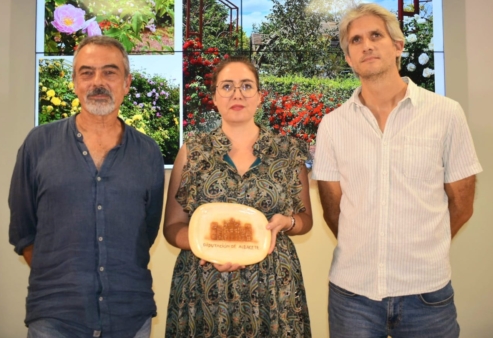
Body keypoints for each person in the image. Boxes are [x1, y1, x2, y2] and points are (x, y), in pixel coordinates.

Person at [313, 3, 482, 337]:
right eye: (356, 41)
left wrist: (424, 248)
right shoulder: (332, 126)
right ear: (348, 59)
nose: (367, 45)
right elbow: (333, 210)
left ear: (398, 46)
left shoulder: (446, 114)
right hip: (351, 296)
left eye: (376, 35)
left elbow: (462, 203)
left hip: (427, 294)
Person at [8, 36, 165, 338]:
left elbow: (146, 232)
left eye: (110, 72)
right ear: (75, 82)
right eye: (87, 72)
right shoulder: (38, 144)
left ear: (126, 83)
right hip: (55, 318)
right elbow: (24, 232)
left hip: (130, 316)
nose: (98, 82)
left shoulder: (148, 152)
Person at [164, 56, 313, 337]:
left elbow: (305, 219)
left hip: (274, 289)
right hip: (203, 285)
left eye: (246, 86)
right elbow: (172, 227)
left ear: (259, 97)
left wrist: (288, 222)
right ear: (215, 98)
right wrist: (205, 248)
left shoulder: (289, 151)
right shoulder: (192, 152)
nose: (237, 94)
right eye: (227, 86)